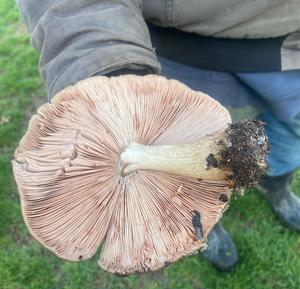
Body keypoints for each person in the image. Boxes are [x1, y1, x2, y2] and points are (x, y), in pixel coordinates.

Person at [17, 0, 300, 271]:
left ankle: (277, 189)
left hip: (292, 50)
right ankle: (202, 228)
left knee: (287, 137)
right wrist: (106, 67)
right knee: (193, 182)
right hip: (181, 52)